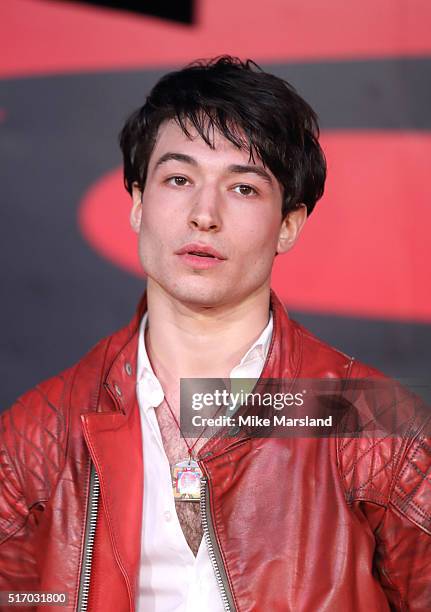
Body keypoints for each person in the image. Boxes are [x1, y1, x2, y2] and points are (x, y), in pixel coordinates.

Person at [0, 56, 430, 612]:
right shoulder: (40, 433)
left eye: (244, 188)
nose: (204, 214)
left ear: (290, 224)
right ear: (136, 203)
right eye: (179, 179)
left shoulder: (365, 420)